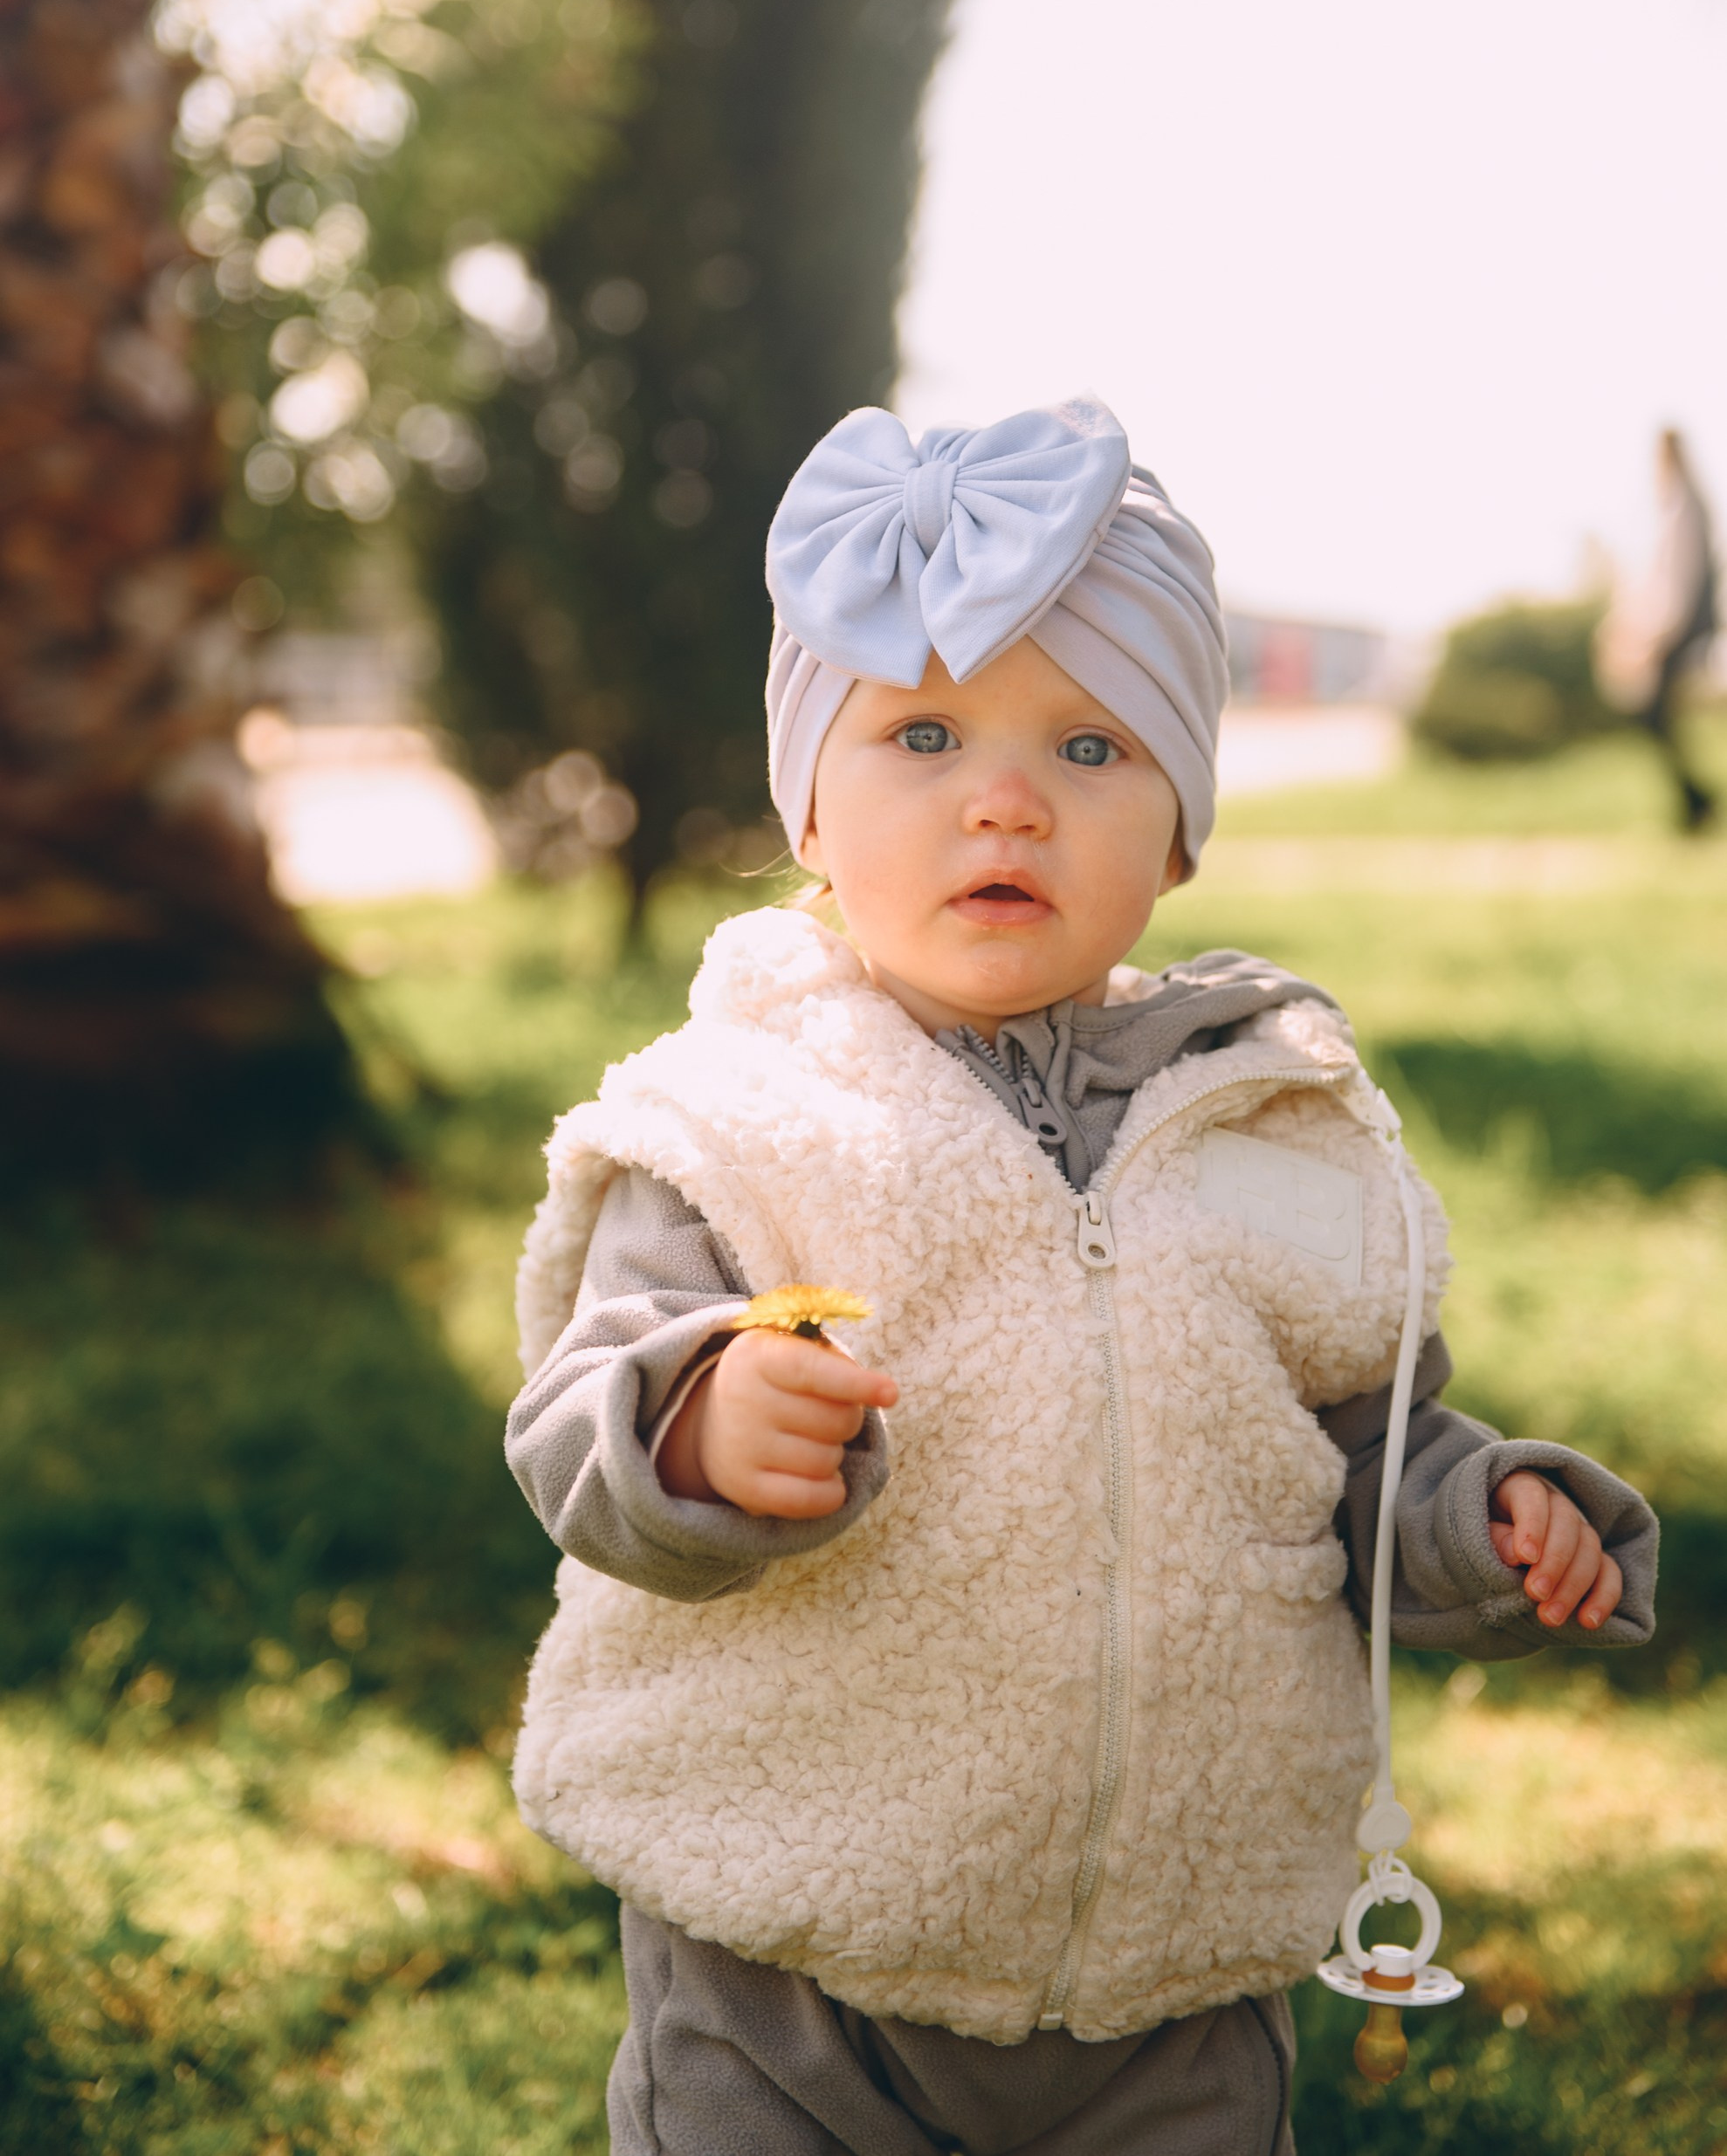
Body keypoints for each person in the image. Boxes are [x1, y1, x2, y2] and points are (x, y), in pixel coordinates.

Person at [506, 399, 1658, 2156]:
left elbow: (1362, 1457)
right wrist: (694, 1419)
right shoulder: (738, 1123)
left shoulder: (1268, 1129)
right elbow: (577, 1415)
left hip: (1172, 1994)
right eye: (921, 731)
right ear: (807, 810)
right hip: (792, 1975)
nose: (1003, 799)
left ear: (1181, 833)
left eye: (1093, 750)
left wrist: (1474, 1510)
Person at [1595, 425, 1719, 831]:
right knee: (1659, 716)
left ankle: (1697, 800)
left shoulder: (1685, 508)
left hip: (1680, 631)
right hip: (1678, 628)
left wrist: (1654, 636)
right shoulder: (1676, 507)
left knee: (1653, 713)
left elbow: (1679, 582)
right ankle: (1695, 799)